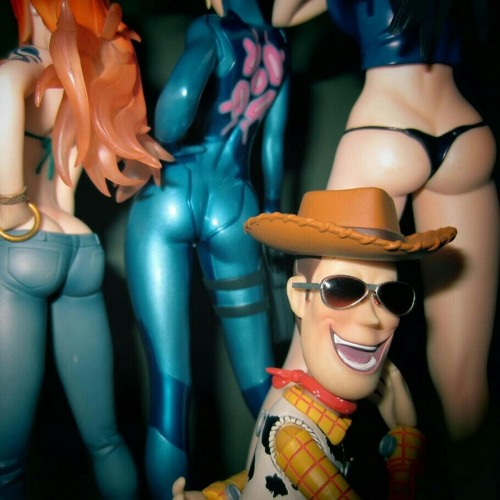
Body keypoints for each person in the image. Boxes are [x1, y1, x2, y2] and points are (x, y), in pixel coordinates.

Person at [271, 0, 499, 443]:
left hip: (386, 131)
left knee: (309, 337)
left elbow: (282, 12)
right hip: (467, 135)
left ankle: (262, 474)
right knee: (464, 374)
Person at [172, 187, 457, 499]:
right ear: (300, 297)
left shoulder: (300, 412)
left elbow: (261, 476)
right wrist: (405, 438)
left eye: (391, 296)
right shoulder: (294, 436)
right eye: (343, 289)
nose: (374, 319)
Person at [0, 1, 168, 497]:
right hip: (78, 246)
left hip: (23, 247)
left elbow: (5, 93)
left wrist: (14, 211)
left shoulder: (18, 69)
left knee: (6, 462)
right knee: (106, 439)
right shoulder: (81, 77)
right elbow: (74, 180)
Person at [124, 0, 290, 496]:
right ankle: (299, 475)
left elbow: (175, 110)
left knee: (170, 389)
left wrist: (156, 135)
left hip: (174, 190)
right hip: (236, 201)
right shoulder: (278, 46)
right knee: (261, 382)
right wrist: (271, 215)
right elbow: (273, 149)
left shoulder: (212, 28)